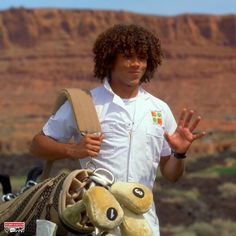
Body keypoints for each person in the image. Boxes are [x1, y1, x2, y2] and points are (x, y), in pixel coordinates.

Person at [30, 24, 206, 236]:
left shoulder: (159, 109)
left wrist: (179, 154)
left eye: (142, 58)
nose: (136, 64)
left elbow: (171, 174)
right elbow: (37, 144)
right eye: (128, 57)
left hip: (144, 226)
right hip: (91, 223)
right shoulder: (84, 103)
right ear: (110, 59)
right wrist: (72, 150)